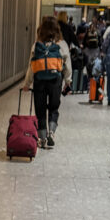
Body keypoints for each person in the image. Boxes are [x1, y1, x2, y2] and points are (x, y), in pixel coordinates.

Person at [22, 16, 71, 148]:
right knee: (54, 108)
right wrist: (68, 80)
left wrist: (27, 84)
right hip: (56, 80)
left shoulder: (37, 45)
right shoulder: (61, 44)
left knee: (40, 109)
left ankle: (42, 139)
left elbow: (31, 66)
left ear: (41, 30)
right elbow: (67, 64)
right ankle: (51, 133)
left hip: (40, 80)